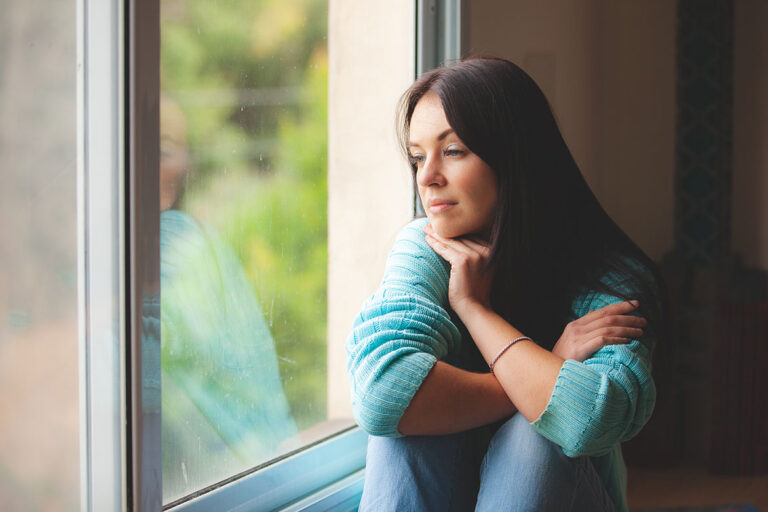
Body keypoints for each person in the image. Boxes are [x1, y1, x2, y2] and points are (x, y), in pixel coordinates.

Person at [345, 57, 666, 511]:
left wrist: (476, 310)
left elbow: (586, 420)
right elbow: (382, 394)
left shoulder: (607, 279)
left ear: (513, 156)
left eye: (452, 151)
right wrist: (544, 366)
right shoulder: (427, 247)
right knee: (405, 431)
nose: (427, 176)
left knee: (538, 432)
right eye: (418, 157)